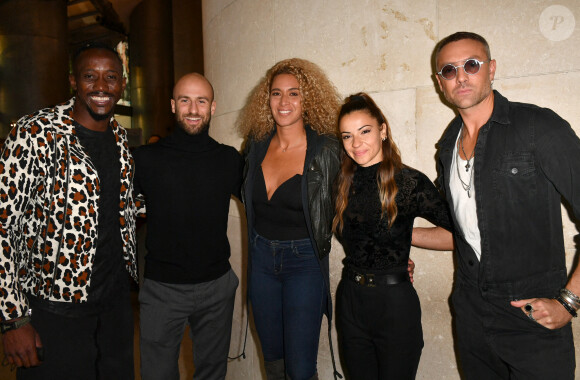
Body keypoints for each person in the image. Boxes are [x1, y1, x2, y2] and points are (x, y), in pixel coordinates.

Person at [434, 31, 580, 379]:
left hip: (532, 314)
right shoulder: (446, 146)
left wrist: (569, 302)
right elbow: (461, 231)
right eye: (449, 70)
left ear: (491, 68)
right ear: (440, 83)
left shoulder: (537, 127)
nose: (462, 76)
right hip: (471, 314)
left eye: (471, 64)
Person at [0, 43, 137, 379]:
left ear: (122, 84)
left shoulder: (120, 139)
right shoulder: (35, 133)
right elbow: (4, 225)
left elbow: (116, 208)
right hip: (54, 310)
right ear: (74, 81)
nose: (102, 87)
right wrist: (12, 320)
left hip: (115, 309)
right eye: (91, 76)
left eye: (111, 77)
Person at [333, 93, 453, 379]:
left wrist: (403, 235)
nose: (356, 143)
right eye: (347, 136)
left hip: (394, 305)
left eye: (365, 131)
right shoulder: (338, 184)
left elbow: (456, 235)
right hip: (350, 300)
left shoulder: (409, 181)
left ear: (382, 130)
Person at [237, 58, 342, 380]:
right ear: (266, 98)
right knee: (273, 362)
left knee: (299, 369)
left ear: (307, 99)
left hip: (304, 262)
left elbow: (348, 209)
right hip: (261, 260)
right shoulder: (255, 145)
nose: (284, 102)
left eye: (294, 93)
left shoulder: (327, 149)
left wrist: (387, 257)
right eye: (276, 93)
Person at [134, 73, 242, 380]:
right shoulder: (144, 159)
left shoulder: (228, 159)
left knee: (212, 373)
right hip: (161, 290)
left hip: (217, 288)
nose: (193, 109)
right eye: (185, 100)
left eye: (201, 101)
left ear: (213, 107)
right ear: (173, 105)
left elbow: (268, 200)